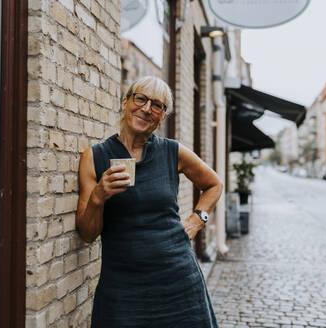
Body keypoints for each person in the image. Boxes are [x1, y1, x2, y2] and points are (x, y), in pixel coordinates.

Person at [76, 76, 223, 327]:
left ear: (162, 117)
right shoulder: (95, 157)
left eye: (157, 105)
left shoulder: (172, 151)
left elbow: (214, 184)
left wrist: (196, 221)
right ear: (125, 102)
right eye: (140, 99)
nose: (146, 109)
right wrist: (98, 197)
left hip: (178, 279)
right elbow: (87, 234)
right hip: (122, 286)